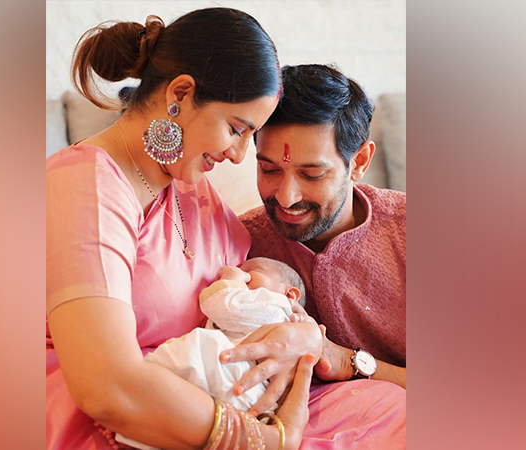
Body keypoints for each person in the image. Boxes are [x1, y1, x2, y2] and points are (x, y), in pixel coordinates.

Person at [47, 8, 320, 450]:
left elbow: (249, 303)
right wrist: (264, 442)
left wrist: (305, 336)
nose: (238, 155)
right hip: (118, 423)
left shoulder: (189, 184)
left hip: (217, 395)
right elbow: (106, 386)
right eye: (236, 129)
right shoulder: (86, 186)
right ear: (181, 93)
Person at [239, 64, 407, 392]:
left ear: (358, 163)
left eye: (312, 174)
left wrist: (343, 360)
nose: (286, 198)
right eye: (269, 169)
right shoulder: (240, 243)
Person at [117, 257, 315, 449]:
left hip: (239, 380)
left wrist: (232, 280)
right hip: (246, 395)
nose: (243, 274)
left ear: (289, 294)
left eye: (250, 272)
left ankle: (135, 418)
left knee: (196, 349)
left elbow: (223, 306)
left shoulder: (274, 305)